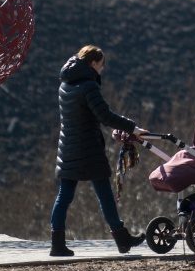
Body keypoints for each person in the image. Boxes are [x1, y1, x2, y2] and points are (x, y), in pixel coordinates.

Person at [50, 45, 149, 257]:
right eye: (102, 65)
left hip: (67, 148)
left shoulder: (65, 85)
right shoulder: (89, 86)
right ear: (93, 63)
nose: (102, 69)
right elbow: (104, 115)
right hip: (88, 149)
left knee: (64, 196)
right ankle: (122, 239)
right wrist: (133, 128)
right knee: (104, 194)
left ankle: (56, 244)